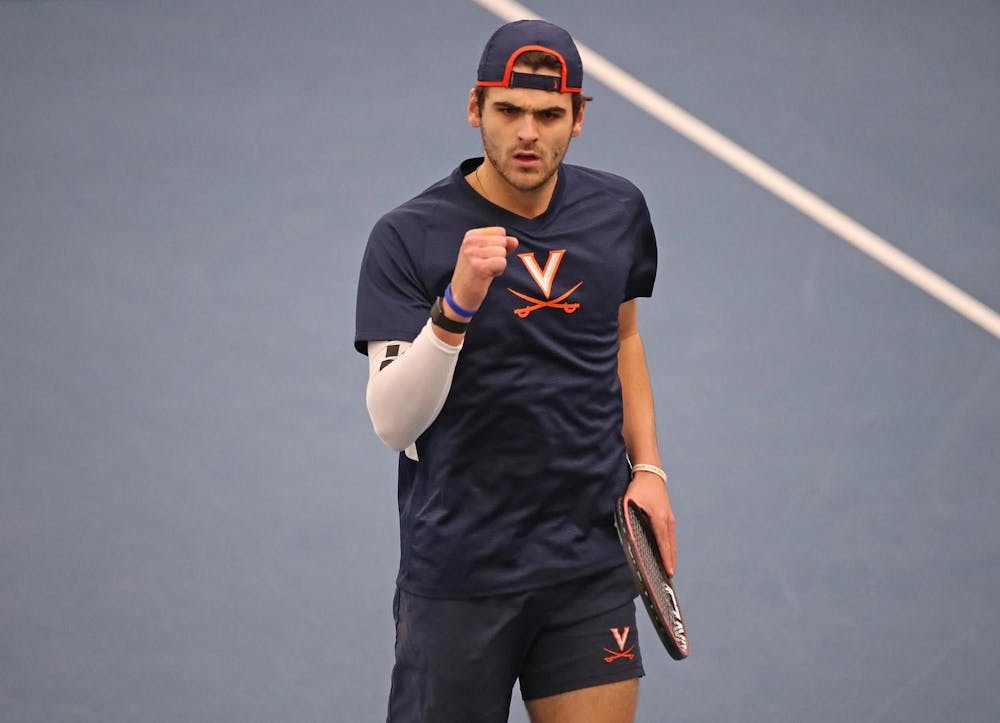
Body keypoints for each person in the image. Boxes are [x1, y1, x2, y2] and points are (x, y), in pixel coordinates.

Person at [354, 19, 676, 723]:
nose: (527, 133)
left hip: (588, 561)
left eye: (548, 114)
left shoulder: (617, 212)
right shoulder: (408, 237)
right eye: (508, 111)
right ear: (476, 109)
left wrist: (648, 468)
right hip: (461, 575)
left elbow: (623, 340)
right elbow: (392, 421)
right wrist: (454, 307)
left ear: (578, 119)